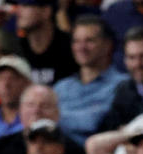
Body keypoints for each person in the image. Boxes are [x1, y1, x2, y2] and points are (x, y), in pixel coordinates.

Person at [52, 16, 123, 146]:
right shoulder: (61, 87)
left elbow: (93, 122)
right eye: (76, 41)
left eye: (89, 41)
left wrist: (55, 118)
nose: (81, 47)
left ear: (107, 45)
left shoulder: (122, 85)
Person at [97, 27, 143, 130]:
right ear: (125, 61)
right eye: (132, 57)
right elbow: (112, 129)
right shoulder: (124, 91)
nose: (138, 64)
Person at [13, 0, 76, 85]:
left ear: (46, 11)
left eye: (26, 5)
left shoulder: (71, 48)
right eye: (18, 5)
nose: (18, 11)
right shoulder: (17, 49)